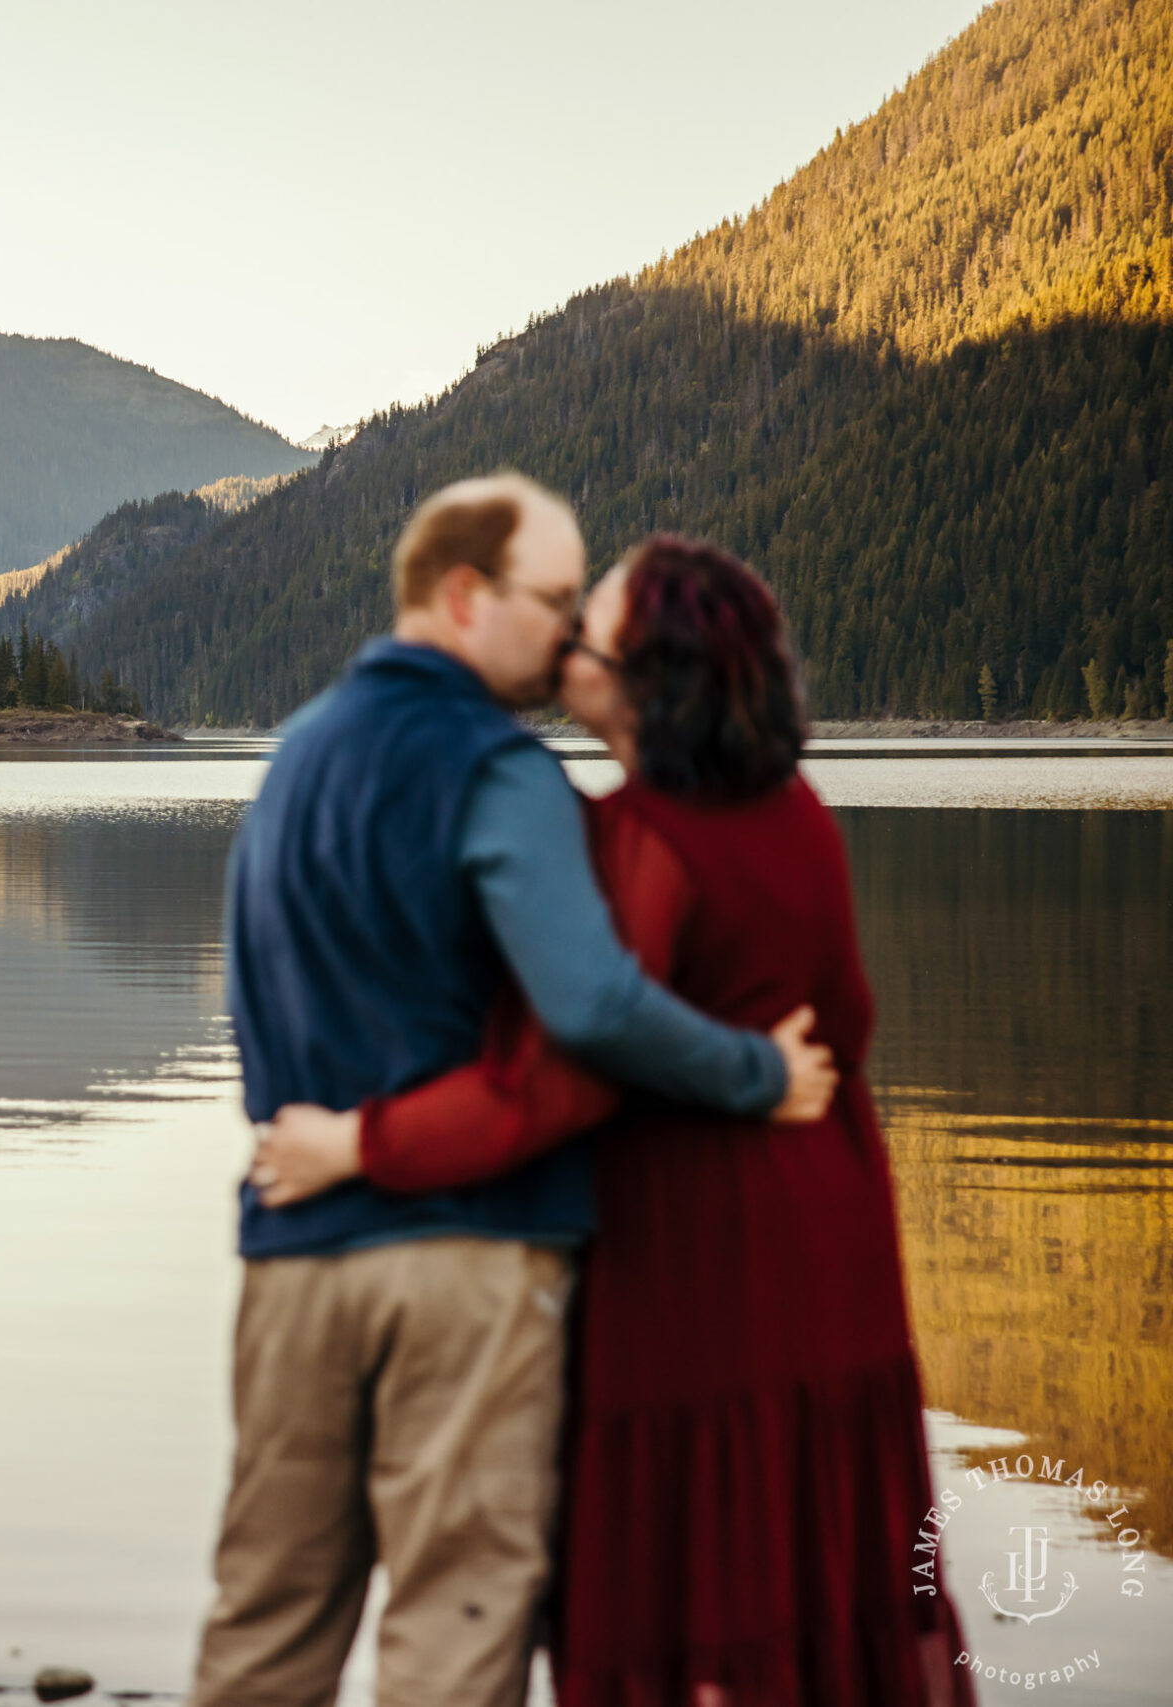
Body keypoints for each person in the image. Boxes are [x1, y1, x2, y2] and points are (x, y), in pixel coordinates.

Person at [258, 536, 973, 1705]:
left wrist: (353, 1143)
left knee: (700, 1591)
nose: (566, 644)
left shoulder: (637, 839)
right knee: (815, 1578)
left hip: (700, 1259)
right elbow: (850, 1018)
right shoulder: (797, 810)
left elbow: (552, 1083)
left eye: (590, 630)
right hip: (836, 1240)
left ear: (652, 676)